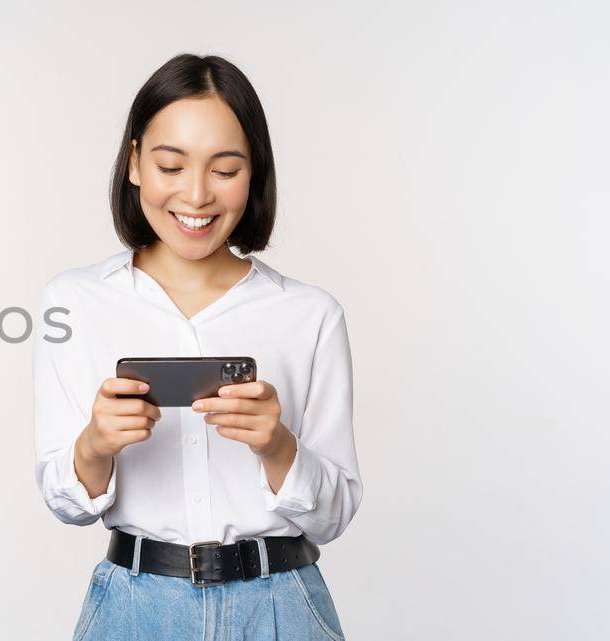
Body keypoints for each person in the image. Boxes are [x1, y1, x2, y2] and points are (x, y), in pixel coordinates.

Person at [33, 53, 363, 640]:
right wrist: (95, 445)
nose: (196, 194)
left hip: (281, 607)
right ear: (135, 163)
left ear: (254, 173)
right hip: (135, 610)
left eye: (225, 169)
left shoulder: (309, 315)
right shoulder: (75, 302)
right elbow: (66, 500)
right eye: (171, 164)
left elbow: (334, 514)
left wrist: (279, 445)